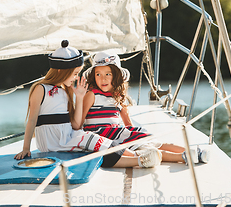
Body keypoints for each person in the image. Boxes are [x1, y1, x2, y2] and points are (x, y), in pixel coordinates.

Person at [14, 40, 162, 168]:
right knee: (96, 142)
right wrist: (26, 148)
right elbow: (32, 119)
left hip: (69, 136)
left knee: (103, 143)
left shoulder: (66, 90)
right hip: (53, 141)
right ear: (60, 71)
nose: (76, 77)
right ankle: (140, 159)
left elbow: (76, 124)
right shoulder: (41, 89)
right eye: (74, 73)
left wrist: (79, 97)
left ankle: (139, 157)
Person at [81, 51, 209, 165]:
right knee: (149, 150)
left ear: (117, 76)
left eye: (108, 74)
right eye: (98, 74)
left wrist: (133, 135)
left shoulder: (118, 97)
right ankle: (183, 157)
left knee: (155, 143)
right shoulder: (92, 94)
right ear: (93, 76)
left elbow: (128, 123)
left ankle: (193, 152)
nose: (103, 78)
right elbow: (81, 123)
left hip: (118, 134)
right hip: (104, 136)